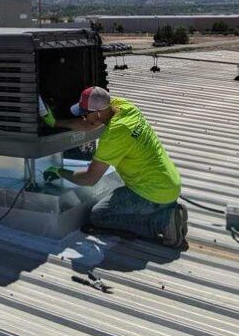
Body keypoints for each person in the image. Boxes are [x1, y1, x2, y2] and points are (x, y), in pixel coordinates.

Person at [42, 86, 188, 249]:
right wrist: (56, 123)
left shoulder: (113, 136)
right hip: (171, 185)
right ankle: (169, 210)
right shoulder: (124, 106)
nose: (83, 117)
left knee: (99, 216)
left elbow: (90, 179)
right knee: (120, 196)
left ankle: (163, 223)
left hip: (151, 192)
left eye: (85, 113)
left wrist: (59, 172)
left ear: (97, 114)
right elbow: (90, 124)